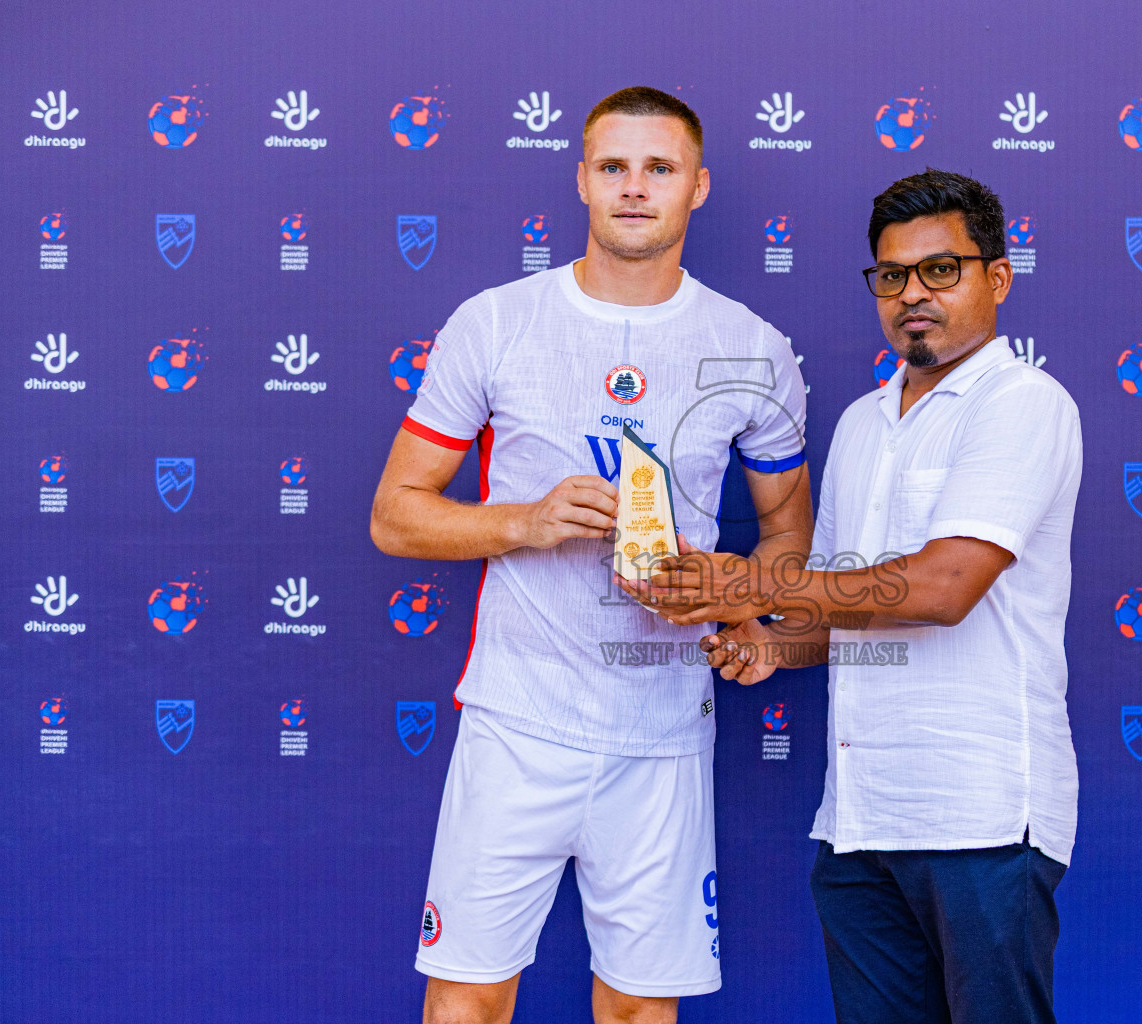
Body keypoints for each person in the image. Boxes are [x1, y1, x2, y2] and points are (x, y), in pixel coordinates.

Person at [370, 86, 812, 1024]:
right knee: (467, 1001)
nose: (635, 188)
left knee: (642, 1013)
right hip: (516, 719)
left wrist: (734, 600)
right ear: (582, 181)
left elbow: (789, 539)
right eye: (614, 167)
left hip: (663, 727)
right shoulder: (495, 322)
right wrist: (524, 521)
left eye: (660, 169)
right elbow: (395, 516)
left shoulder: (753, 348)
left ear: (698, 187)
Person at [629, 169, 1082, 1024]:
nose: (913, 293)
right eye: (892, 275)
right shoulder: (861, 424)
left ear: (997, 277)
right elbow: (848, 610)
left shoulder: (1024, 406)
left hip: (979, 818)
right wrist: (769, 640)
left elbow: (944, 589)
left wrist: (750, 579)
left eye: (941, 270)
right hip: (860, 823)